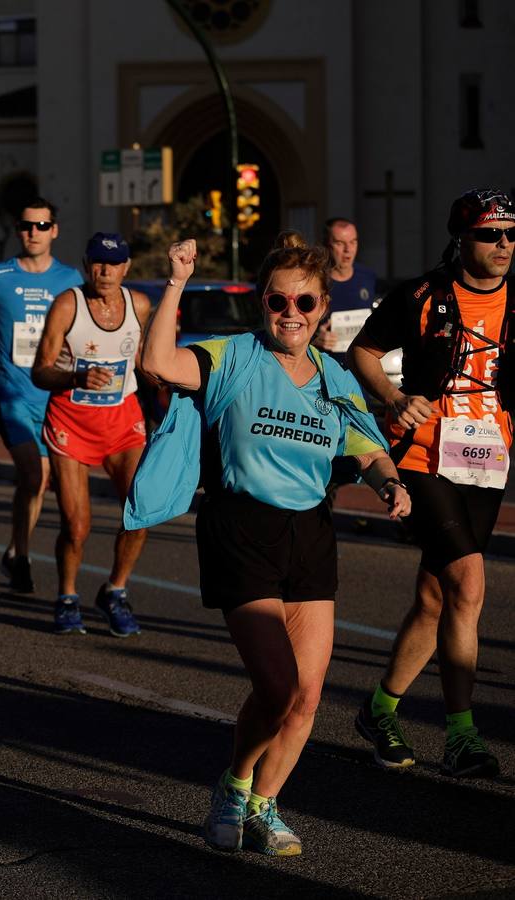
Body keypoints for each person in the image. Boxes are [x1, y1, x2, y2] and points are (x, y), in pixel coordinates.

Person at [131, 233, 409, 856]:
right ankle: (233, 786)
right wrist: (175, 282)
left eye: (304, 303)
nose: (291, 313)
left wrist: (390, 484)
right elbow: (159, 365)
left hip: (309, 533)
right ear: (263, 302)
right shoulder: (232, 355)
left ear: (322, 307)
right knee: (278, 686)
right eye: (279, 301)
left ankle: (264, 805)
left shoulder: (334, 375)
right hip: (240, 529)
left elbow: (365, 446)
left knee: (308, 697)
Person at [348, 189, 513, 778]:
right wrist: (394, 398)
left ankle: (379, 709)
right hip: (424, 456)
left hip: (487, 460)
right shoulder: (424, 294)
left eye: (511, 234)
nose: (503, 245)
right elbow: (362, 350)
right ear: (463, 239)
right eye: (491, 235)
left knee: (434, 597)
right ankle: (462, 735)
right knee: (468, 583)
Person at [30, 233, 150, 636]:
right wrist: (77, 375)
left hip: (122, 421)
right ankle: (67, 596)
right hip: (71, 422)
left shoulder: (140, 305)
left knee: (141, 510)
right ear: (86, 265)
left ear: (126, 268)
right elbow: (40, 370)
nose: (105, 271)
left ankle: (115, 590)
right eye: (98, 263)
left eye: (113, 264)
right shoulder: (68, 305)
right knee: (76, 524)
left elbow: (144, 362)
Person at [0, 199, 84, 594]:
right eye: (26, 225)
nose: (33, 232)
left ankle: (18, 552)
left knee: (40, 480)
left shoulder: (70, 280)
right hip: (10, 392)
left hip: (54, 396)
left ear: (55, 230)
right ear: (19, 230)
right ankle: (21, 556)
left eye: (42, 225)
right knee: (34, 474)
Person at [312, 218, 378, 364]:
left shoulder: (368, 277)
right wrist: (315, 340)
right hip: (326, 368)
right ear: (326, 245)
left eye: (353, 242)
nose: (348, 249)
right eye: (340, 243)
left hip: (362, 371)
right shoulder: (314, 282)